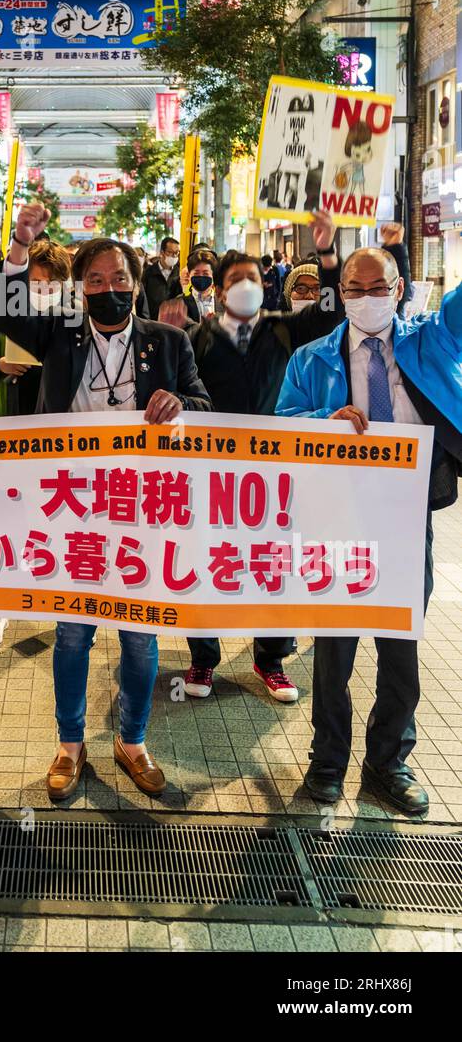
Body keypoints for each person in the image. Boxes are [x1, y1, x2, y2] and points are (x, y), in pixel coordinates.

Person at [0, 204, 211, 802]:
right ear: (78, 288)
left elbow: (205, 403)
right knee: (72, 634)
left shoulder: (168, 341)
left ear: (136, 285)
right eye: (95, 280)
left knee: (141, 636)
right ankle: (69, 744)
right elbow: (4, 307)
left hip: (143, 510)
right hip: (70, 509)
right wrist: (20, 245)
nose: (108, 289)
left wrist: (182, 406)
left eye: (119, 279)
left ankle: (133, 740)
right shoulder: (59, 334)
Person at [277, 245, 462, 817]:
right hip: (339, 521)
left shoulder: (430, 340)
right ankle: (327, 761)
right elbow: (280, 428)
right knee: (334, 652)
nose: (364, 298)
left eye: (376, 287)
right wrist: (322, 423)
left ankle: (389, 762)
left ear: (399, 288)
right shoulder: (312, 360)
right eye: (353, 289)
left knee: (400, 650)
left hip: (407, 519)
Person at [181, 210, 341, 705]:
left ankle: (269, 658)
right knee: (207, 559)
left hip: (275, 470)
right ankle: (204, 658)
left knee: (274, 561)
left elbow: (332, 312)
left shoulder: (282, 328)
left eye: (252, 277)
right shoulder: (198, 337)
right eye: (235, 280)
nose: (244, 286)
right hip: (213, 471)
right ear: (222, 291)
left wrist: (330, 256)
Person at [0, 238, 72, 649]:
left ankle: (67, 612)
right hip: (8, 431)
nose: (42, 288)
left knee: (59, 522)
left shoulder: (75, 326)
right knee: (5, 521)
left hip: (59, 440)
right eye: (35, 281)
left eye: (52, 282)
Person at [162, 249, 218, 326]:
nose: (201, 276)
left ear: (213, 275)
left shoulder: (223, 302)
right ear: (189, 275)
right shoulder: (179, 303)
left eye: (205, 273)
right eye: (196, 273)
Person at [142, 236, 181, 319]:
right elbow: (142, 300)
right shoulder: (149, 273)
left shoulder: (180, 274)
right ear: (162, 252)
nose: (174, 256)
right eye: (170, 252)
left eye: (177, 253)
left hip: (173, 322)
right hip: (152, 321)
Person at [379, 222, 414, 310]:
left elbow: (400, 230)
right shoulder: (394, 249)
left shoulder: (396, 249)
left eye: (386, 232)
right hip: (395, 293)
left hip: (396, 293)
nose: (383, 234)